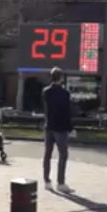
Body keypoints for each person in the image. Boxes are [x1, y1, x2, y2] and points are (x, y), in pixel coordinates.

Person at [42, 66, 74, 194]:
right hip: (61, 127)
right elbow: (67, 112)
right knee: (63, 155)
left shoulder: (46, 92)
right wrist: (70, 127)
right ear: (61, 78)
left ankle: (47, 181)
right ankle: (60, 182)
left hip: (49, 125)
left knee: (47, 154)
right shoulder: (65, 93)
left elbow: (45, 109)